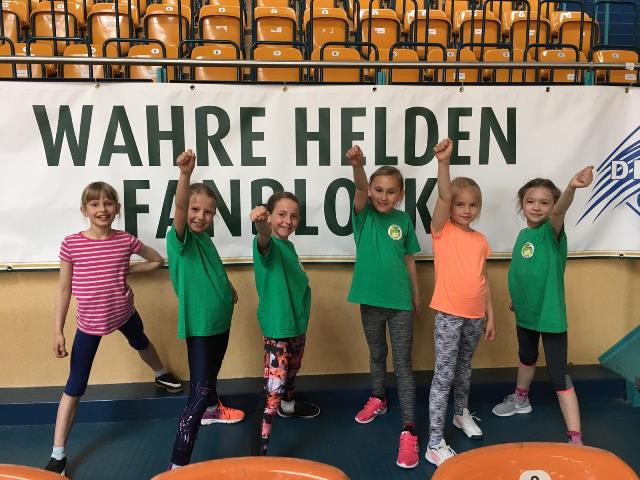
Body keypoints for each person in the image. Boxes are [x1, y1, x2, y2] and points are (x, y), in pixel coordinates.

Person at [45, 181, 183, 475]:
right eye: (95, 204)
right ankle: (58, 454)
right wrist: (58, 330)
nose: (102, 209)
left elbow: (156, 260)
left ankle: (161, 373)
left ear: (117, 208)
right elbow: (64, 290)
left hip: (123, 313)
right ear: (84, 210)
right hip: (90, 324)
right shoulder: (71, 244)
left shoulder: (125, 241)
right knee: (75, 386)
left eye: (108, 203)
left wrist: (124, 269)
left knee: (141, 342)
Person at [492, 165, 594, 446]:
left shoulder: (551, 231)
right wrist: (517, 300)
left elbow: (560, 211)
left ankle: (575, 438)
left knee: (559, 376)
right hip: (526, 314)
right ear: (522, 204)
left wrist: (571, 187)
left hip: (549, 317)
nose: (536, 207)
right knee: (526, 357)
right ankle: (521, 400)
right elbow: (525, 273)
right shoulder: (523, 236)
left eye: (544, 203)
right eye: (530, 201)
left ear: (552, 207)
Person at [166, 150, 245, 470]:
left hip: (220, 320)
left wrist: (227, 288)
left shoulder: (204, 240)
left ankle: (213, 409)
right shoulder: (179, 238)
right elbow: (179, 208)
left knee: (211, 376)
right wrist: (185, 175)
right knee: (198, 392)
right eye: (195, 209)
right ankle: (177, 465)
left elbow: (211, 269)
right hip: (200, 325)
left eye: (208, 212)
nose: (200, 216)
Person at [345, 145, 422, 469]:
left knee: (402, 363)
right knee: (377, 353)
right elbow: (360, 187)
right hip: (370, 300)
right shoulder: (364, 216)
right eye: (378, 190)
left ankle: (409, 428)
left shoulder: (403, 220)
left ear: (400, 195)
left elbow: (409, 259)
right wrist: (358, 166)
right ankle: (378, 397)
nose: (383, 196)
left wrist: (416, 294)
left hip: (400, 303)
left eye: (391, 191)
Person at [426, 138, 496, 468]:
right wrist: (444, 163)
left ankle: (460, 413)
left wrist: (490, 316)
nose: (466, 210)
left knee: (464, 370)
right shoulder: (442, 232)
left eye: (473, 205)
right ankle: (434, 442)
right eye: (460, 204)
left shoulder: (481, 240)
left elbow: (484, 279)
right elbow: (443, 195)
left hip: (475, 316)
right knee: (443, 376)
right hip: (449, 315)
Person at [250, 192, 320, 456]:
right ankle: (261, 451)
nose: (288, 221)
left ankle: (288, 408)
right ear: (269, 216)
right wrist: (260, 223)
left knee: (292, 371)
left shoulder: (289, 246)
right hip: (279, 328)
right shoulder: (268, 244)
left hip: (296, 324)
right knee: (274, 390)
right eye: (281, 214)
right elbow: (263, 237)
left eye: (294, 216)